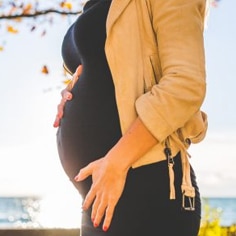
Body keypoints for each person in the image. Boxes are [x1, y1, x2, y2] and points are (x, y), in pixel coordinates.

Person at [53, 0, 208, 235]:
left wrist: (117, 162)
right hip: (101, 194)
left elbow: (185, 84)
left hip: (146, 190)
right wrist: (71, 90)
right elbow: (108, 70)